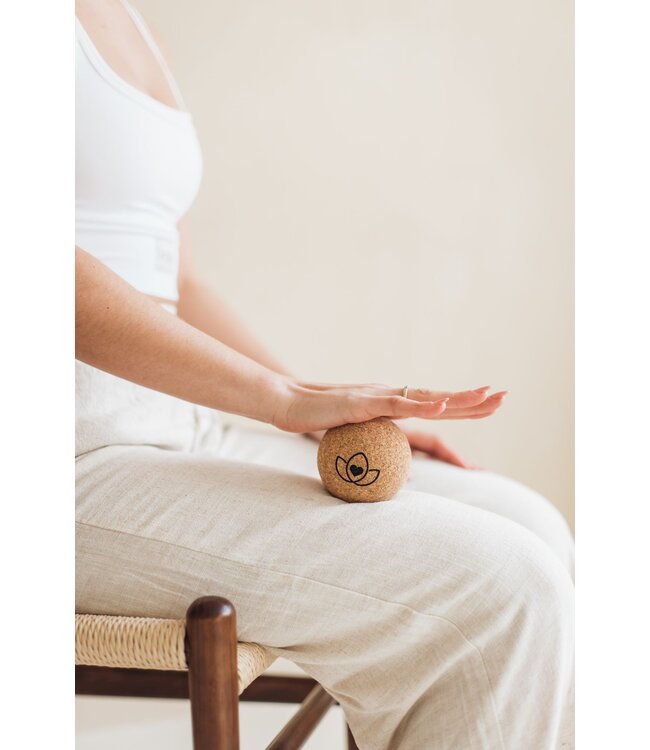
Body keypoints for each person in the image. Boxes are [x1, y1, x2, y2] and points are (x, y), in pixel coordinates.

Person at [75, 1, 575, 747]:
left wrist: (314, 402)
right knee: (503, 586)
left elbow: (177, 280)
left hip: (177, 419)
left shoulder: (134, 26)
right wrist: (279, 400)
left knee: (530, 524)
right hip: (69, 453)